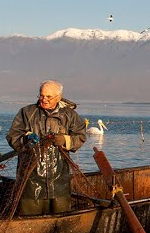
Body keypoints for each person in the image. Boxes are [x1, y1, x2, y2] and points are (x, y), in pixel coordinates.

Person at [5, 80, 90, 216]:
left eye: (48, 97)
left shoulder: (70, 115)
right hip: (31, 181)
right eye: (41, 95)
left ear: (58, 97)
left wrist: (65, 140)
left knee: (61, 220)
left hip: (60, 182)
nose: (44, 99)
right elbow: (12, 136)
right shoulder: (27, 112)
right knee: (30, 222)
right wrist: (26, 139)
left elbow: (80, 136)